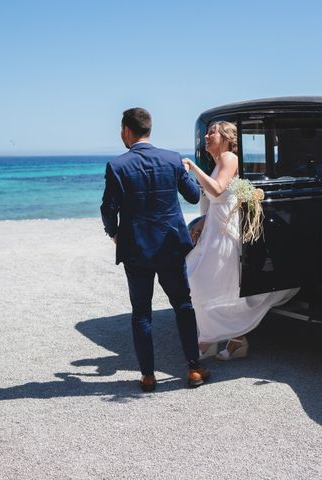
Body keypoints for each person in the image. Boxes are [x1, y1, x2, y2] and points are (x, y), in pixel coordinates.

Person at [101, 107, 209, 391]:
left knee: (141, 313)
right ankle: (194, 370)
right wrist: (184, 173)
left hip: (136, 250)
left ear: (126, 130)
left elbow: (108, 209)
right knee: (183, 306)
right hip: (171, 246)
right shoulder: (172, 159)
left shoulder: (117, 166)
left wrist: (114, 234)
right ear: (148, 129)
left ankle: (148, 376)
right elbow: (194, 195)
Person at [183, 121, 298, 360]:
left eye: (212, 132)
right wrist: (204, 222)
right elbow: (224, 199)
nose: (206, 136)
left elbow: (216, 190)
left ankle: (220, 340)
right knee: (209, 282)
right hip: (216, 226)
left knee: (209, 282)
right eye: (207, 132)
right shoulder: (219, 161)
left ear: (226, 138)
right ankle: (220, 339)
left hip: (225, 232)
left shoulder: (229, 158)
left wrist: (193, 167)